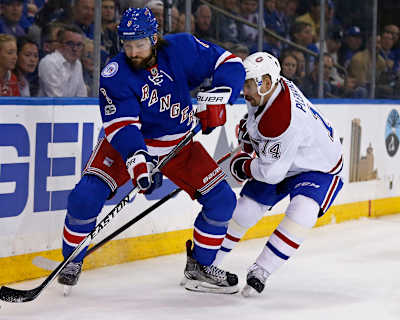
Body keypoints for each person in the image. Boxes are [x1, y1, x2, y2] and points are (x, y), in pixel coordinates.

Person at [57, 7, 246, 294]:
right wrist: (138, 161)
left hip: (179, 145)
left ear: (154, 38)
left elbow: (228, 62)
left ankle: (201, 265)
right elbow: (122, 127)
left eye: (140, 44)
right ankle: (72, 258)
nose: (133, 52)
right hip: (131, 145)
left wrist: (220, 97)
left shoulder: (181, 48)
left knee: (222, 202)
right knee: (85, 195)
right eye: (128, 45)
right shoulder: (115, 73)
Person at [213, 52, 343, 297]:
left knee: (302, 212)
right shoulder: (271, 88)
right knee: (245, 211)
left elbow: (271, 174)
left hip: (318, 166)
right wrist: (250, 132)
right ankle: (209, 263)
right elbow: (261, 123)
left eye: (249, 84)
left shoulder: (283, 118)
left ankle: (262, 269)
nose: (244, 91)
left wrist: (242, 166)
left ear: (266, 82)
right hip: (286, 156)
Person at [37, 24, 87, 97]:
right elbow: (56, 98)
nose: (75, 49)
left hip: (70, 107)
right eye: (70, 43)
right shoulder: (49, 62)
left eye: (79, 45)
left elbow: (82, 96)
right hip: (50, 108)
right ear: (59, 45)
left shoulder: (78, 64)